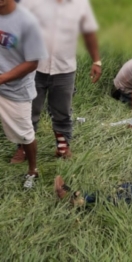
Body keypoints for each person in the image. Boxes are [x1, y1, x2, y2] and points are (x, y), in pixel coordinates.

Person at [12, 0, 102, 163]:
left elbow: (88, 33)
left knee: (62, 112)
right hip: (33, 67)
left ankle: (62, 146)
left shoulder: (80, 4)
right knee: (29, 111)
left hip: (65, 69)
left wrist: (96, 61)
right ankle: (22, 148)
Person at [0, 0, 47, 188]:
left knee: (25, 134)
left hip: (15, 90)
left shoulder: (28, 23)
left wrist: (2, 79)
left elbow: (32, 63)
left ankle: (32, 170)